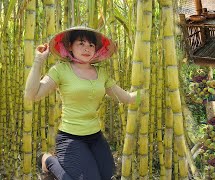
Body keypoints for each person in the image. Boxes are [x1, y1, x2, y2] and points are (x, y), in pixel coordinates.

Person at [24, 27, 142, 180]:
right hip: (70, 138)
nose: (87, 48)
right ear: (70, 46)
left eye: (91, 45)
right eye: (81, 43)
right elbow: (32, 95)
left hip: (95, 137)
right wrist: (39, 60)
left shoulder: (102, 74)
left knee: (107, 175)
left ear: (96, 49)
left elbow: (126, 98)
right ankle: (48, 160)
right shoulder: (61, 70)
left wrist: (144, 93)